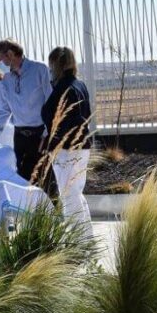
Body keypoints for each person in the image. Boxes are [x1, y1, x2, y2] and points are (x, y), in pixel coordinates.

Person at [41, 46, 92, 231]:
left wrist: (54, 139)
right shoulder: (78, 85)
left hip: (67, 150)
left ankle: (79, 240)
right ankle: (85, 237)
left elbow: (69, 120)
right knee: (75, 194)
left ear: (56, 64)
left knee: (70, 196)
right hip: (79, 147)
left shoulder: (66, 88)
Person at [0, 39, 52, 184]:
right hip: (20, 136)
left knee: (46, 177)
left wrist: (47, 133)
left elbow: (51, 102)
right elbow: (3, 112)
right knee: (23, 178)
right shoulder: (6, 80)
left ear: (10, 54)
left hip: (40, 134)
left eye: (0, 59)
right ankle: (28, 207)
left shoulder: (39, 70)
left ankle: (54, 206)